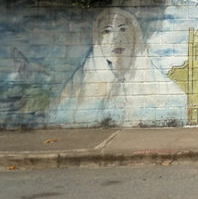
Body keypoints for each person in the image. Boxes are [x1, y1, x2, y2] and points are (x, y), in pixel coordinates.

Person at [48, 8, 186, 127]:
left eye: (123, 29)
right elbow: (59, 112)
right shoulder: (77, 84)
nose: (116, 38)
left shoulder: (162, 85)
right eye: (107, 31)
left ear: (135, 36)